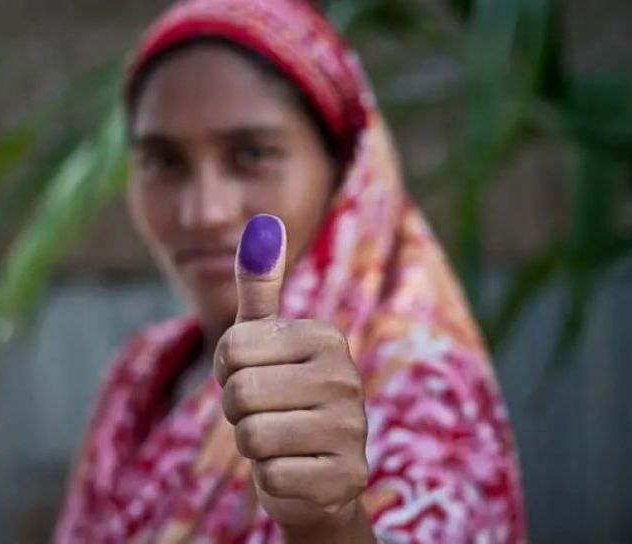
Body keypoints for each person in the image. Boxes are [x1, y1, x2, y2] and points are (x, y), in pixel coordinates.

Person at [54, 0, 526, 542]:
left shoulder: (422, 390)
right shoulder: (140, 376)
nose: (203, 211)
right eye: (163, 161)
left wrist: (331, 526)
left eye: (253, 154)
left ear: (344, 171)